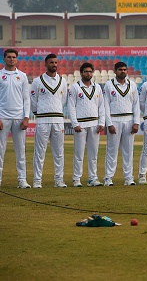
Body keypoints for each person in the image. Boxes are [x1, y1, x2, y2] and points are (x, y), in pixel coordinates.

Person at [31, 54, 68, 188]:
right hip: (42, 120)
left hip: (58, 120)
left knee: (59, 152)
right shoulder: (37, 81)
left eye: (55, 62)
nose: (54, 64)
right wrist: (40, 113)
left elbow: (63, 101)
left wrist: (56, 111)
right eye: (51, 62)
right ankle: (37, 180)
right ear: (45, 64)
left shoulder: (63, 81)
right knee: (40, 152)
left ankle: (59, 180)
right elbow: (33, 102)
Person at [103, 61, 140, 186]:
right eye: (120, 69)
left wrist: (136, 122)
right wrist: (109, 123)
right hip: (114, 120)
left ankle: (129, 178)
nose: (122, 71)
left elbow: (136, 105)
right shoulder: (109, 85)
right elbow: (106, 105)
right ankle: (108, 177)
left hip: (129, 120)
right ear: (115, 71)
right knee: (112, 151)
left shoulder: (132, 85)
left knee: (128, 151)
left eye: (124, 69)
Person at [68, 62, 105, 187]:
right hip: (81, 125)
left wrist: (101, 122)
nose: (88, 74)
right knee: (79, 153)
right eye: (86, 72)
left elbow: (101, 106)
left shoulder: (97, 87)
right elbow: (71, 107)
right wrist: (75, 124)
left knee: (93, 154)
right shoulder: (75, 87)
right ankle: (77, 178)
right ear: (81, 73)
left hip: (94, 124)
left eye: (90, 71)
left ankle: (92, 178)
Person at [0, 49, 31, 188]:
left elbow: (26, 99)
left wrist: (26, 117)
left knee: (21, 150)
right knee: (1, 150)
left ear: (17, 59)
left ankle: (22, 180)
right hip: (3, 117)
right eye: (9, 57)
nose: (11, 59)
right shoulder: (0, 75)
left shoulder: (22, 76)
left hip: (19, 117)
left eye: (14, 57)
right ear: (4, 59)